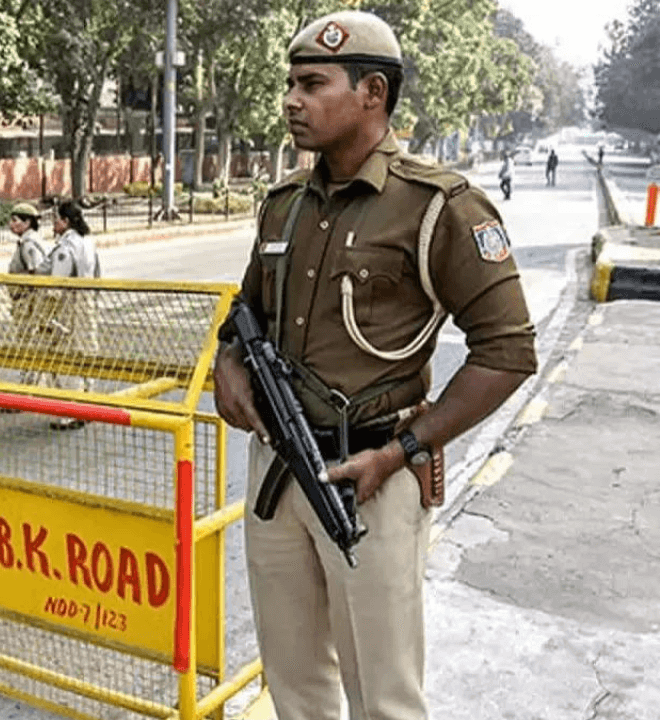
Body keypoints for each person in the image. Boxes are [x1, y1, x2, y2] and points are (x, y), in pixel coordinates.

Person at [212, 10, 536, 720]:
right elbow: (244, 312)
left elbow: (509, 351)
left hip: (373, 478)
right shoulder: (284, 206)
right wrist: (227, 365)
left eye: (312, 84)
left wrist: (404, 452)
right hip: (276, 473)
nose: (291, 100)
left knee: (383, 699)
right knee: (293, 686)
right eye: (290, 83)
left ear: (373, 95)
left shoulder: (440, 207)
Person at [36, 199, 101, 430]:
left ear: (65, 221)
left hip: (68, 304)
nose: (53, 223)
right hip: (87, 299)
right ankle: (89, 405)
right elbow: (97, 274)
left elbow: (56, 284)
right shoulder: (88, 241)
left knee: (65, 355)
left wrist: (47, 313)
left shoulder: (66, 247)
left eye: (56, 219)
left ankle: (68, 413)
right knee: (86, 351)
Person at [4, 202, 52, 398]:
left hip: (28, 301)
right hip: (28, 300)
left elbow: (36, 271)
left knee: (27, 344)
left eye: (15, 220)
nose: (11, 224)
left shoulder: (29, 244)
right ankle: (34, 386)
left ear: (27, 223)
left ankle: (27, 390)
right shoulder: (30, 240)